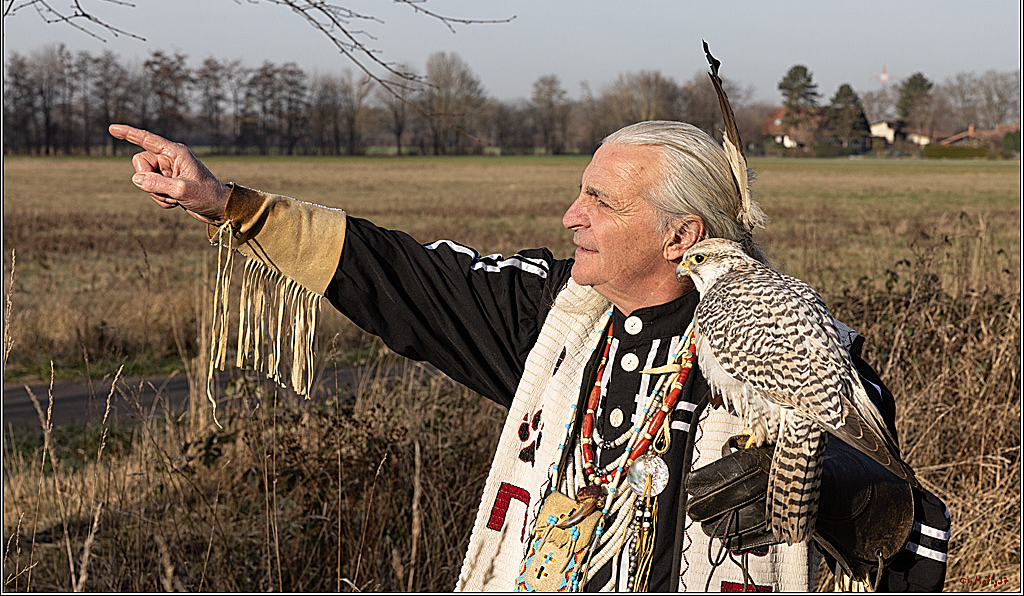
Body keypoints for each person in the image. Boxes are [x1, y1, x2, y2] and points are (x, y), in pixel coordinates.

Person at [110, 119, 949, 592]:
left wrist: (835, 498)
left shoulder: (786, 336)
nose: (568, 215)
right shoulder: (554, 314)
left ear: (681, 234)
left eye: (599, 199)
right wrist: (227, 203)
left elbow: (912, 536)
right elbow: (405, 276)